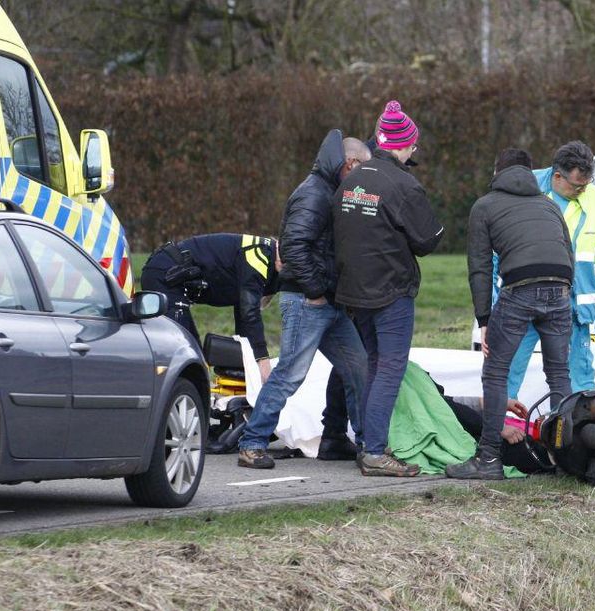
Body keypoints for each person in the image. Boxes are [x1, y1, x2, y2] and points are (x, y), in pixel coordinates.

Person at [234, 130, 372, 469]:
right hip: (307, 301)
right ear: (350, 164)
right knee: (290, 375)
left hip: (326, 301)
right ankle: (252, 443)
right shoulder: (314, 195)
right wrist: (315, 292)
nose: (365, 181)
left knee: (358, 370)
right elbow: (294, 247)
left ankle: (371, 444)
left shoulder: (328, 191)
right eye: (363, 171)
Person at [446, 148, 574, 480]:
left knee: (495, 373)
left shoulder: (485, 206)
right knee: (559, 375)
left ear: (496, 171)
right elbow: (567, 253)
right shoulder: (548, 204)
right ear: (531, 173)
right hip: (561, 288)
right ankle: (566, 461)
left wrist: (484, 320)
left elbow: (478, 269)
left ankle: (488, 460)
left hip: (522, 286)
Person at [333, 100, 444, 477]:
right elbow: (427, 240)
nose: (415, 151)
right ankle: (376, 451)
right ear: (402, 145)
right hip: (391, 290)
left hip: (353, 291)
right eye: (413, 145)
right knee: (389, 368)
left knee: (374, 365)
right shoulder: (404, 185)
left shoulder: (351, 180)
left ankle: (367, 441)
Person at [504, 140, 595, 397]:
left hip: (571, 306)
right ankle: (500, 426)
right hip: (523, 300)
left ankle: (570, 430)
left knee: (577, 377)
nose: (583, 190)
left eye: (587, 184)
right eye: (577, 185)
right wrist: (497, 294)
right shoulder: (526, 189)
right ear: (558, 176)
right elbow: (498, 247)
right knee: (506, 371)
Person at [141, 232, 279, 384]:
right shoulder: (258, 256)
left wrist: (248, 359)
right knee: (185, 353)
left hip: (173, 274)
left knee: (194, 358)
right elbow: (249, 312)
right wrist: (262, 360)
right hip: (164, 272)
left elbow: (244, 314)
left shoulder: (273, 261)